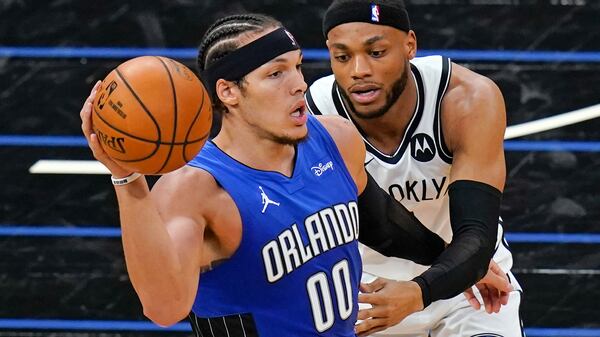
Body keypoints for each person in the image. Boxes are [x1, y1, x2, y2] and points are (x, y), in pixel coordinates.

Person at [79, 13, 461, 337]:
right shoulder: (197, 189)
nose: (299, 83)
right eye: (276, 73)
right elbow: (164, 307)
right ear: (228, 92)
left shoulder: (335, 139)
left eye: (296, 66)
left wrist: (453, 261)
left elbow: (381, 224)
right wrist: (128, 182)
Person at [306, 0, 523, 336]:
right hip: (366, 290)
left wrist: (443, 279)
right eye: (343, 56)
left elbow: (476, 235)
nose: (359, 70)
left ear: (410, 45)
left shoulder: (466, 99)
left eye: (376, 52)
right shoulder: (316, 117)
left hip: (468, 286)